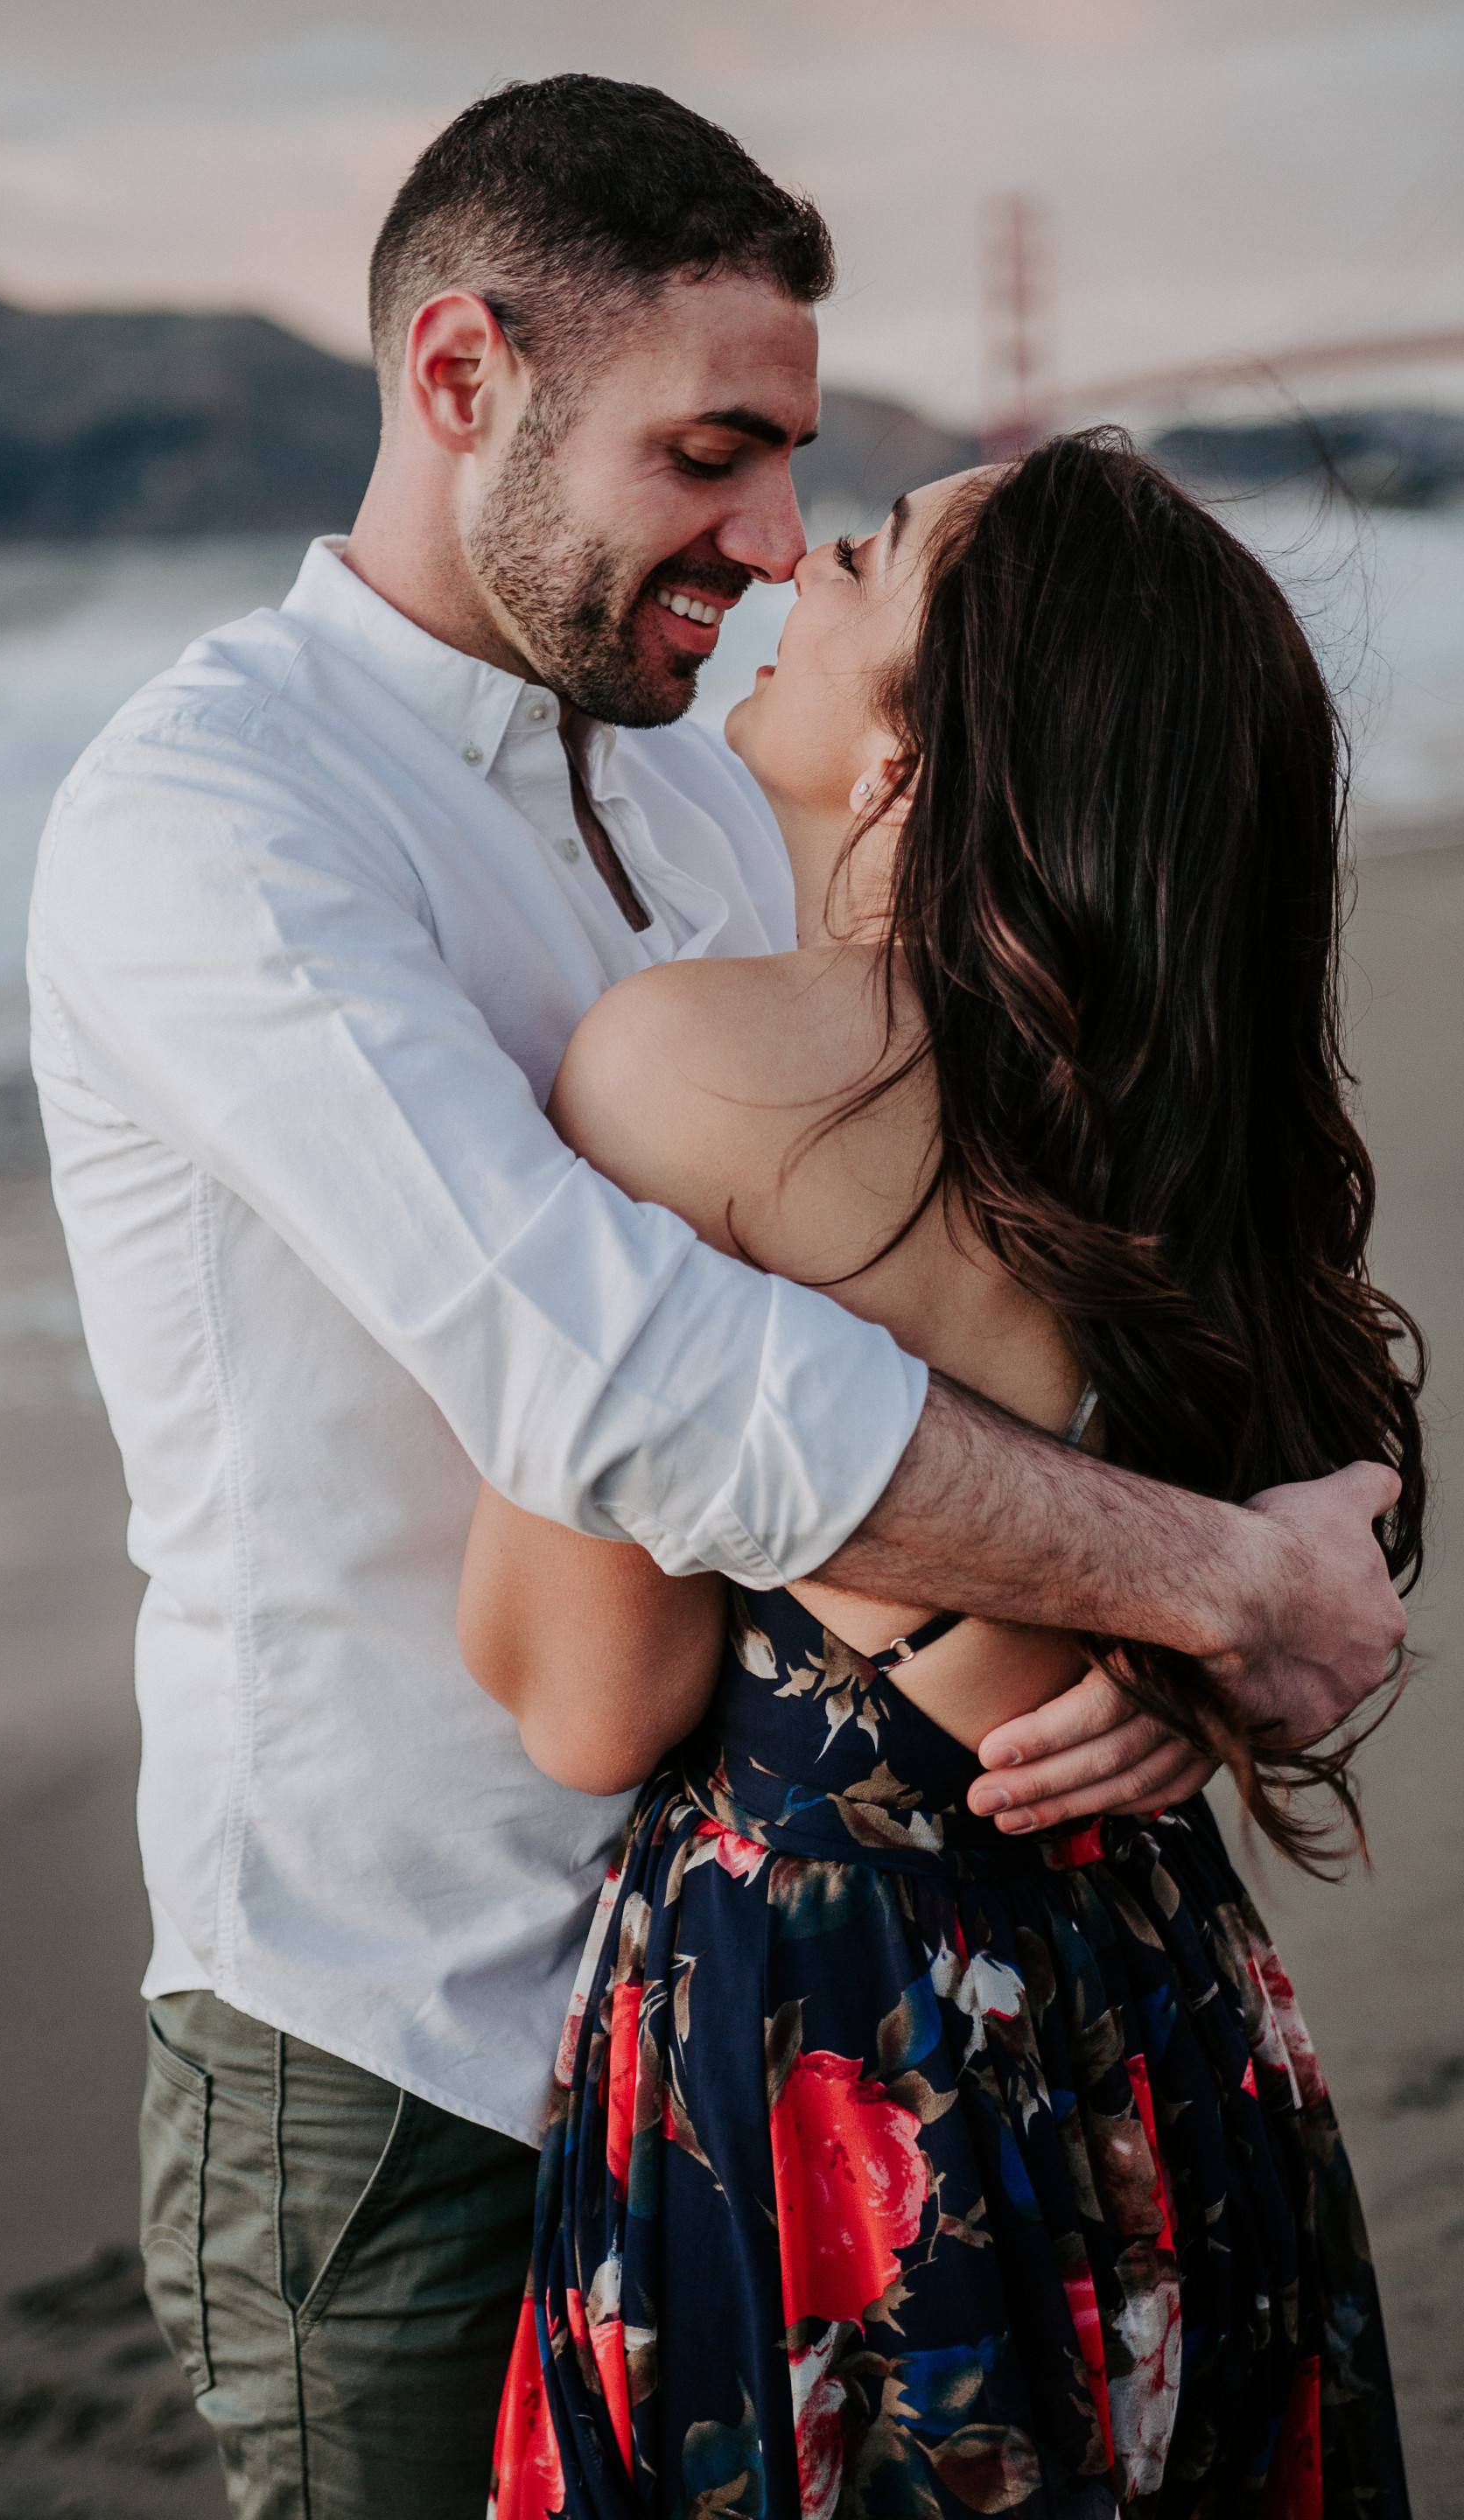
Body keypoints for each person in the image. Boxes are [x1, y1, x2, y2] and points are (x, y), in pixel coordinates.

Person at [28, 75, 1408, 2520]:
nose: (772, 544)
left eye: (801, 476)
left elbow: (1024, 1237)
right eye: (717, 452)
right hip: (412, 2033)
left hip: (804, 1997)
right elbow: (637, 1383)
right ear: (463, 380)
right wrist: (1210, 1591)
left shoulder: (702, 772)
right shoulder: (212, 829)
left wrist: (1174, 1649)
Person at [462, 440, 1423, 2520]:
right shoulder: (1184, 1128)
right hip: (1158, 2017)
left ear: (934, 727)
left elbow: (580, 1698)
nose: (805, 553)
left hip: (838, 2053)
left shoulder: (682, 1072)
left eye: (875, 553)